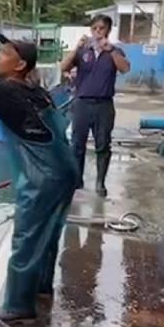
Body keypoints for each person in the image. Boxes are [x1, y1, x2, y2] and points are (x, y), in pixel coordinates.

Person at [0, 34, 80, 324]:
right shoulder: (39, 92)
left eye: (5, 52)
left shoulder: (4, 92)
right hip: (66, 171)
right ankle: (41, 289)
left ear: (20, 64)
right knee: (48, 235)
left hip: (43, 178)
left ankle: (19, 306)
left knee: (27, 236)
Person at [60, 15, 130, 198]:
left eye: (102, 28)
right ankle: (77, 180)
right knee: (77, 145)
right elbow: (63, 67)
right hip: (82, 103)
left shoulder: (114, 51)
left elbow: (124, 68)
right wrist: (76, 48)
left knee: (103, 145)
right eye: (95, 28)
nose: (98, 32)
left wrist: (111, 50)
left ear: (108, 30)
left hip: (104, 105)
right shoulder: (83, 51)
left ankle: (100, 182)